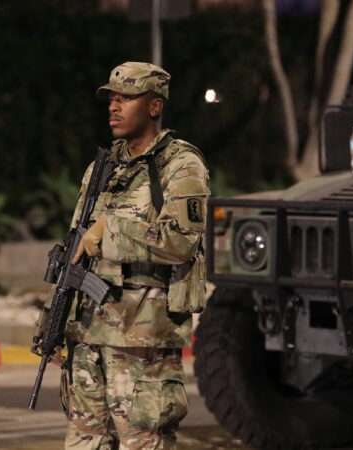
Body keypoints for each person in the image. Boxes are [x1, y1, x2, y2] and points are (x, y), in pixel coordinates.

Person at [40, 61, 210, 449]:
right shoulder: (102, 168)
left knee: (143, 441)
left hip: (141, 340)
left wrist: (109, 231)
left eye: (127, 98)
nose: (114, 107)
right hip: (88, 337)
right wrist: (57, 322)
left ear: (154, 106)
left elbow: (181, 241)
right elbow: (76, 249)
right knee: (85, 441)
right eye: (112, 99)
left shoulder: (180, 165)